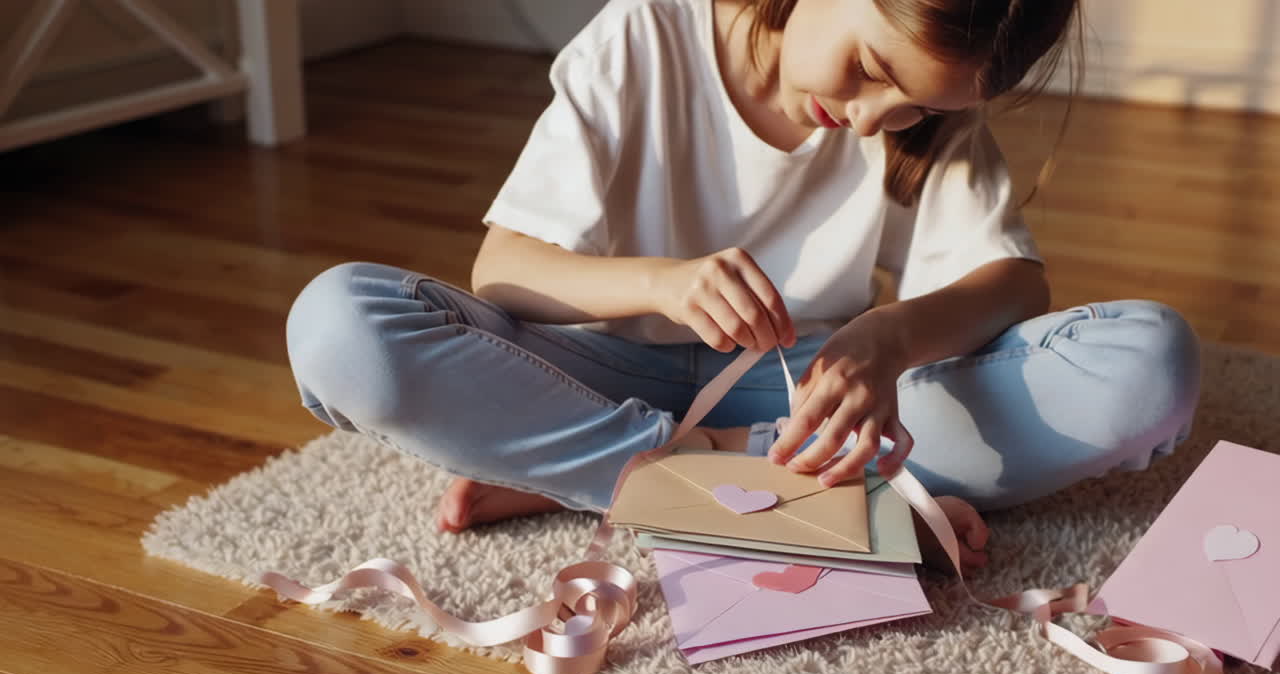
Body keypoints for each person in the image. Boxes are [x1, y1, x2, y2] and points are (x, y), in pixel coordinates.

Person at [285, 0, 1201, 570]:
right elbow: (506, 272)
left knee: (1149, 363)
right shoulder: (643, 33)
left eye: (919, 108)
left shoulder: (920, 106)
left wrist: (886, 339)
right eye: (875, 69)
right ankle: (785, 502)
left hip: (808, 396)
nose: (875, 115)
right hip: (598, 370)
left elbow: (1013, 283)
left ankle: (606, 475)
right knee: (340, 326)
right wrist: (662, 283)